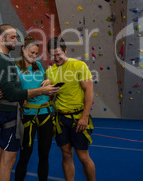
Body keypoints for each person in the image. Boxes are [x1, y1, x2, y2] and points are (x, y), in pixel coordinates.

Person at [0, 25, 59, 181]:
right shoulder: (12, 64)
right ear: (23, 50)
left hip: (44, 112)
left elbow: (6, 83)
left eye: (36, 53)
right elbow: (9, 88)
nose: (34, 56)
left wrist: (49, 82)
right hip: (26, 113)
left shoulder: (38, 66)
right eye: (31, 53)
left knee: (44, 154)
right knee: (21, 155)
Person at [46, 37, 96, 181]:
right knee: (66, 154)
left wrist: (85, 117)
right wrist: (46, 90)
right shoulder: (50, 72)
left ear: (65, 50)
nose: (56, 58)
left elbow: (89, 91)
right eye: (53, 55)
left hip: (78, 117)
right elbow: (51, 98)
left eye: (59, 54)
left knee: (83, 156)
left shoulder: (79, 65)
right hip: (61, 119)